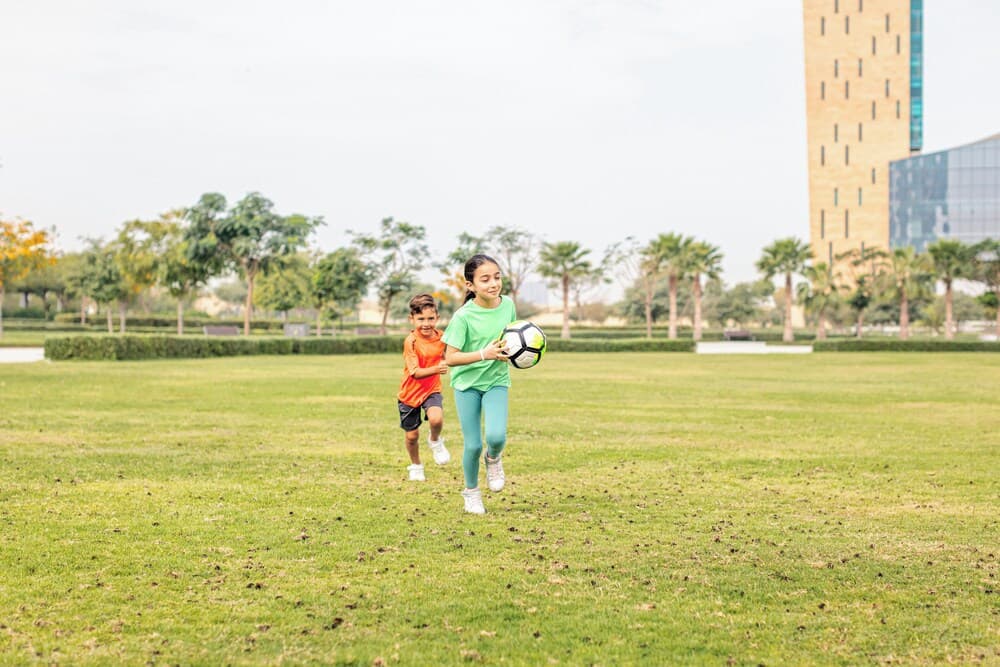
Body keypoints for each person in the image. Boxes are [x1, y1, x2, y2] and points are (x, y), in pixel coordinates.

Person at [442, 254, 517, 514]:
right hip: (467, 385)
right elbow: (450, 358)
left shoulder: (508, 305)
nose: (493, 283)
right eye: (485, 279)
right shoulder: (462, 317)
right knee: (473, 445)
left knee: (496, 437)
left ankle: (493, 458)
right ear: (470, 285)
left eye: (497, 277)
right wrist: (485, 353)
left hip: (496, 380)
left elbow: (513, 338)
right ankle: (471, 492)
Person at [397, 293, 451, 481]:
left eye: (430, 318)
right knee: (412, 436)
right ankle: (416, 465)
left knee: (436, 419)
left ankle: (435, 441)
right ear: (411, 319)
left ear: (437, 317)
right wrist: (437, 368)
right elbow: (415, 372)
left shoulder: (442, 337)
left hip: (431, 390)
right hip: (409, 394)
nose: (426, 323)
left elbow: (450, 355)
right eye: (421, 319)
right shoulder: (411, 341)